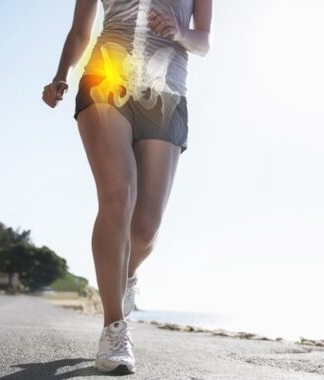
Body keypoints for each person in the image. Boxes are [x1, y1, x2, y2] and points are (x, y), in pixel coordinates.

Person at [41, 0, 212, 374]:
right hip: (106, 77)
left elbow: (203, 41)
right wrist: (62, 75)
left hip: (167, 93)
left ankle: (126, 273)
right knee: (119, 196)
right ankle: (114, 328)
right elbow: (80, 30)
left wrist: (179, 32)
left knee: (146, 229)